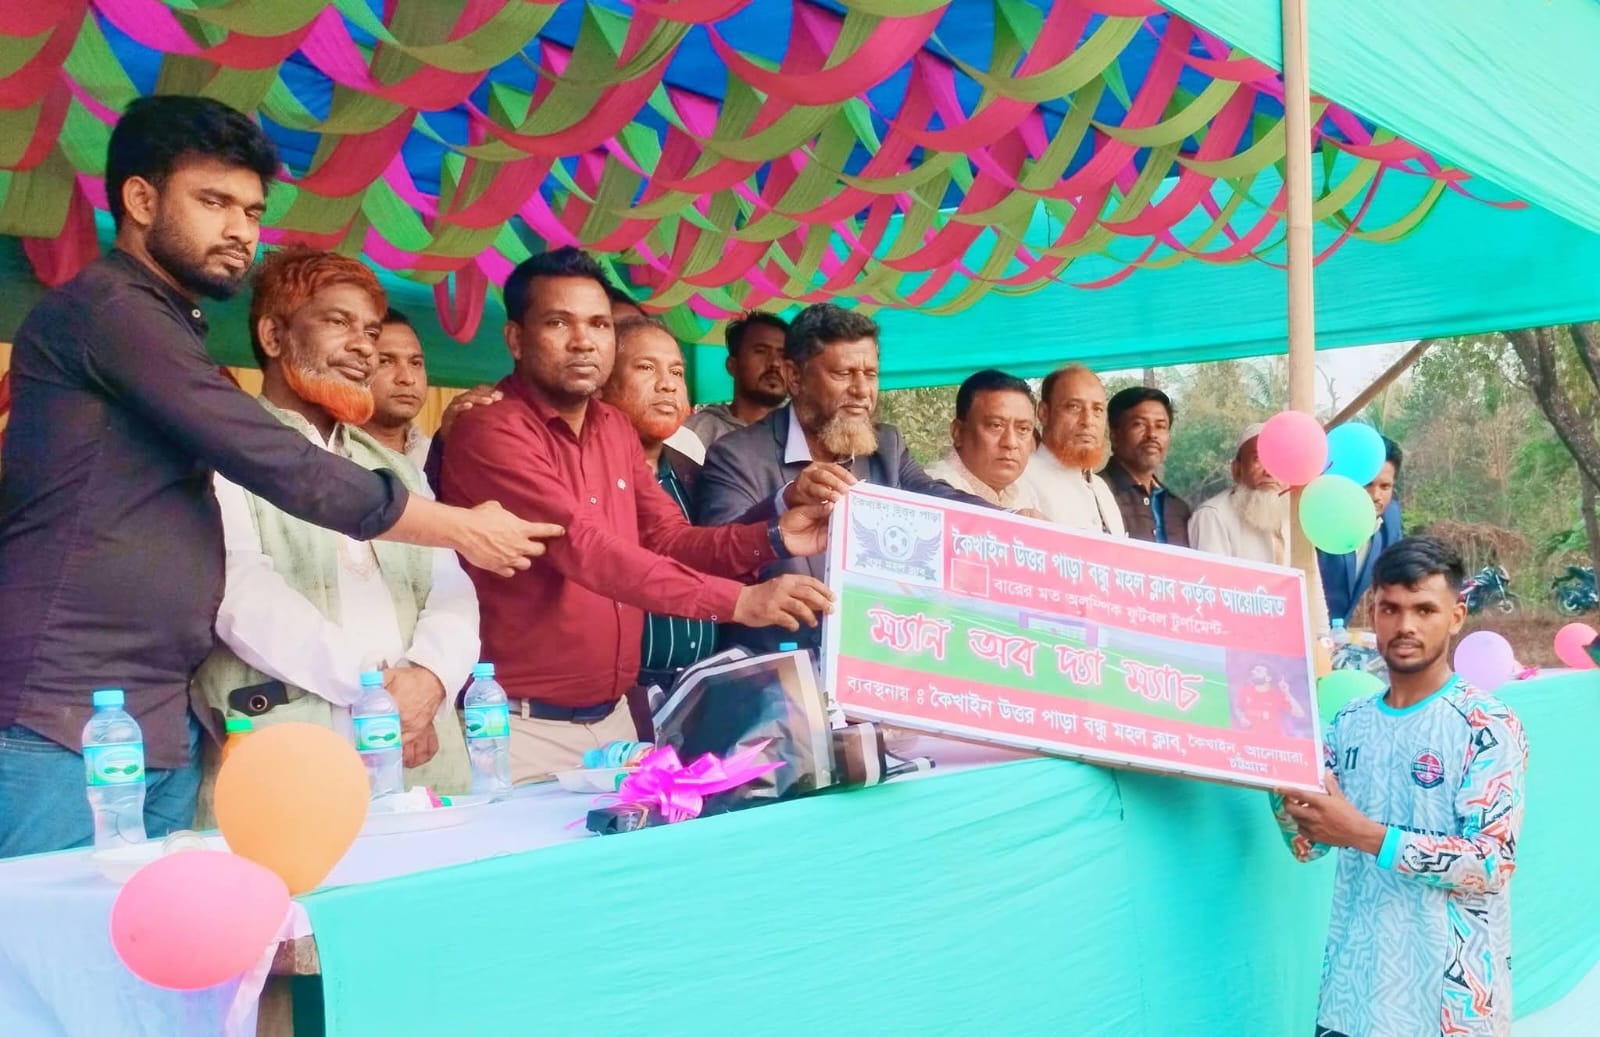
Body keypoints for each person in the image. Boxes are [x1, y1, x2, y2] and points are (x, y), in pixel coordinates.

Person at [0, 96, 553, 858]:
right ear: (140, 200)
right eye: (214, 202)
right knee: (51, 926)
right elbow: (281, 464)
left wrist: (424, 677)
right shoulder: (111, 311)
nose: (240, 230)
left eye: (252, 211)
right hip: (66, 710)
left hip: (155, 716)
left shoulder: (169, 327)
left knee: (152, 932)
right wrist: (460, 526)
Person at [437, 248, 835, 782]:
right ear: (515, 338)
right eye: (559, 323)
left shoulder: (613, 427)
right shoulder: (491, 430)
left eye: (599, 324)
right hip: (517, 727)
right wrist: (740, 602)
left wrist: (775, 536)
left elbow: (669, 537)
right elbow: (585, 549)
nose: (584, 341)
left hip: (617, 724)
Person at [191, 247, 477, 797]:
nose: (364, 347)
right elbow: (240, 593)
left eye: (370, 331)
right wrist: (375, 690)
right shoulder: (227, 453)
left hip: (418, 752)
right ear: (274, 337)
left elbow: (450, 586)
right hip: (292, 758)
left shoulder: (397, 469)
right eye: (339, 323)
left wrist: (431, 678)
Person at [1273, 536, 1527, 1037]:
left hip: (1449, 1009)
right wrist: (1273, 769)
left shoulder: (1487, 725)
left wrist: (1364, 834)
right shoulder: (1348, 722)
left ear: (1455, 616)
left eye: (1424, 609)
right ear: (1373, 612)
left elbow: (1491, 863)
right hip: (1350, 1000)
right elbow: (1309, 844)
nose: (1405, 625)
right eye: (1390, 608)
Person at [698, 303, 987, 654]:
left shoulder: (886, 447)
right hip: (776, 668)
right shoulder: (736, 456)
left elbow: (937, 497)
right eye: (844, 373)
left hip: (874, 657)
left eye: (871, 374)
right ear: (794, 377)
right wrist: (783, 502)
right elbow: (714, 558)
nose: (862, 390)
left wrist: (1016, 521)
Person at [598, 316, 717, 737]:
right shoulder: (585, 476)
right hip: (617, 705)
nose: (667, 385)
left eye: (677, 373)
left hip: (700, 693)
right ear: (602, 384)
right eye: (647, 368)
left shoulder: (694, 472)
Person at [1017, 365, 1126, 535]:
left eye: (1097, 409)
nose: (1088, 421)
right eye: (1074, 407)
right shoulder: (1021, 477)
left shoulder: (1101, 488)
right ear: (1044, 413)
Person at [924, 368, 1043, 512]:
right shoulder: (930, 491)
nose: (1011, 443)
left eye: (1023, 429)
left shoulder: (1025, 492)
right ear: (958, 432)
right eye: (996, 426)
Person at [1319, 435, 1404, 624]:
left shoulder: (1391, 520)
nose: (1376, 495)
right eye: (1367, 484)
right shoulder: (1318, 516)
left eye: (1385, 486)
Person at [685, 311, 790, 449]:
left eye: (783, 356)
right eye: (761, 351)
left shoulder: (803, 434)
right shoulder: (695, 433)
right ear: (732, 365)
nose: (775, 363)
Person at [1101, 386, 1190, 546]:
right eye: (1139, 424)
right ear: (1114, 436)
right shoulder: (1095, 495)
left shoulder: (1178, 509)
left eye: (1160, 426)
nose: (1152, 434)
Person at [1188, 423, 1287, 564]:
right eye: (1259, 459)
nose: (1269, 472)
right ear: (1236, 470)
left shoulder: (1296, 516)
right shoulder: (1213, 516)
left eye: (1278, 461)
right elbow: (1211, 575)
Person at [361, 307, 434, 481]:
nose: (407, 378)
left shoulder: (435, 454)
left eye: (415, 363)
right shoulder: (328, 451)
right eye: (385, 361)